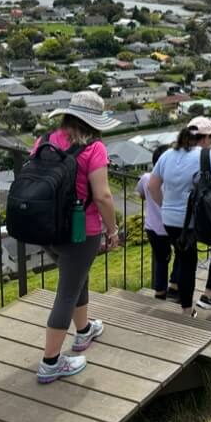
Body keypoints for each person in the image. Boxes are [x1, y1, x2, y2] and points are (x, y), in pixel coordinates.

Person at [36, 90, 121, 384]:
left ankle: (84, 331)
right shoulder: (94, 148)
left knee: (76, 277)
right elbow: (103, 196)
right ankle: (50, 362)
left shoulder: (46, 140)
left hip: (47, 227)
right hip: (81, 230)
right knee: (67, 292)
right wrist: (113, 230)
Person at [148, 117, 211, 313]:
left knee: (186, 261)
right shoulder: (207, 156)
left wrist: (166, 205)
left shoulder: (167, 155)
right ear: (204, 139)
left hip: (171, 219)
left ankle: (187, 310)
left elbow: (153, 186)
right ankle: (209, 294)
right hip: (200, 219)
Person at [139, 144, 181, 301]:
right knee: (181, 253)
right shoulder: (176, 180)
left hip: (153, 228)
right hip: (174, 226)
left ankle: (159, 292)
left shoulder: (145, 178)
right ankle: (175, 285)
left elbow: (141, 194)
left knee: (160, 258)